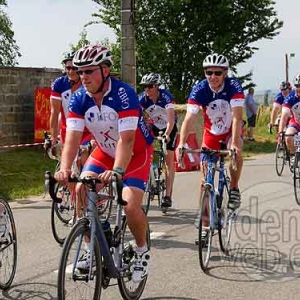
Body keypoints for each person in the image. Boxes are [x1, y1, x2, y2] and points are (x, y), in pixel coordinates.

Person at [54, 44, 154, 283]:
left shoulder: (124, 94)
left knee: (130, 205)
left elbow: (127, 140)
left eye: (89, 71)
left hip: (136, 154)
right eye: (80, 72)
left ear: (105, 70)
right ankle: (90, 250)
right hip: (105, 152)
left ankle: (141, 251)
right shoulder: (79, 98)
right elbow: (72, 139)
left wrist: (118, 170)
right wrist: (65, 168)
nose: (83, 76)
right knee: (80, 189)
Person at [176, 53, 244, 241]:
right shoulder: (200, 89)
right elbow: (189, 119)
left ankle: (235, 188)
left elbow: (238, 117)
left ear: (225, 73)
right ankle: (205, 225)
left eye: (217, 72)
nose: (212, 76)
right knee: (204, 180)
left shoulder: (234, 86)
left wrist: (236, 143)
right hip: (211, 134)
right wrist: (181, 143)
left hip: (231, 131)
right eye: (208, 72)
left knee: (236, 153)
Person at [139, 73, 178, 208]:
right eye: (144, 87)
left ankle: (168, 196)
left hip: (169, 127)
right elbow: (137, 116)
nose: (147, 90)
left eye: (150, 87)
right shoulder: (142, 99)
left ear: (156, 86)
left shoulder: (166, 97)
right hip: (154, 126)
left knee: (168, 160)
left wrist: (167, 135)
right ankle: (150, 178)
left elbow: (171, 120)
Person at [278, 75, 300, 164]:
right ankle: (294, 155)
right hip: (296, 122)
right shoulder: (290, 98)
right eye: (297, 86)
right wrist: (280, 133)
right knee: (288, 137)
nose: (299, 88)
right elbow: (284, 117)